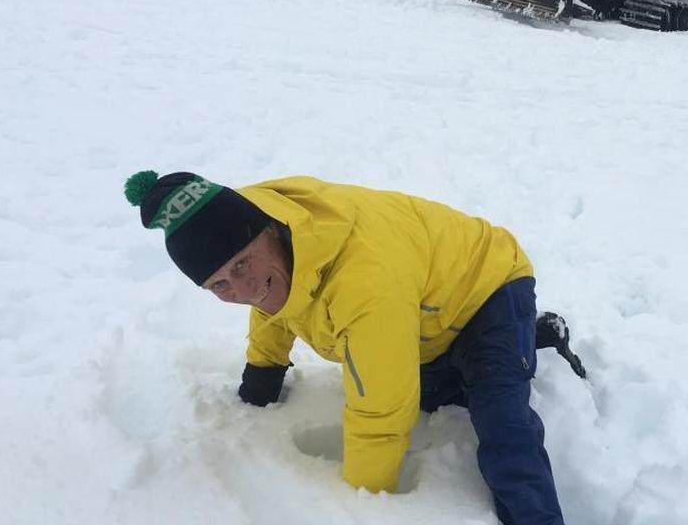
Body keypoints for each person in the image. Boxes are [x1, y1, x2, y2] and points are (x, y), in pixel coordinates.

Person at [124, 171, 584, 525]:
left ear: (269, 232)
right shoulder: (275, 250)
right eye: (219, 284)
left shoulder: (362, 276)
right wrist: (260, 384)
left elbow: (382, 411)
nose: (242, 288)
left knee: (502, 420)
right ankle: (530, 335)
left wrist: (359, 504)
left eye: (242, 264)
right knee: (431, 395)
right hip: (424, 313)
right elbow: (270, 310)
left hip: (488, 283)